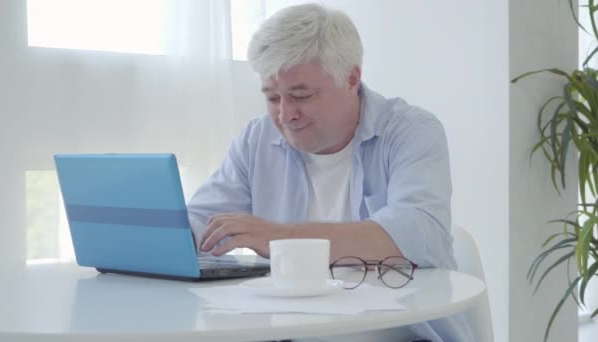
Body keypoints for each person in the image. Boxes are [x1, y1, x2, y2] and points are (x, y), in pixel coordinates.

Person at [187, 3, 474, 342]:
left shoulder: (411, 131)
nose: (285, 114)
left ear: (352, 78)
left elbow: (416, 236)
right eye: (272, 97)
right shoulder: (256, 140)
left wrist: (279, 237)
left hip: (401, 332)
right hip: (291, 331)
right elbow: (198, 223)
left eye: (301, 95)